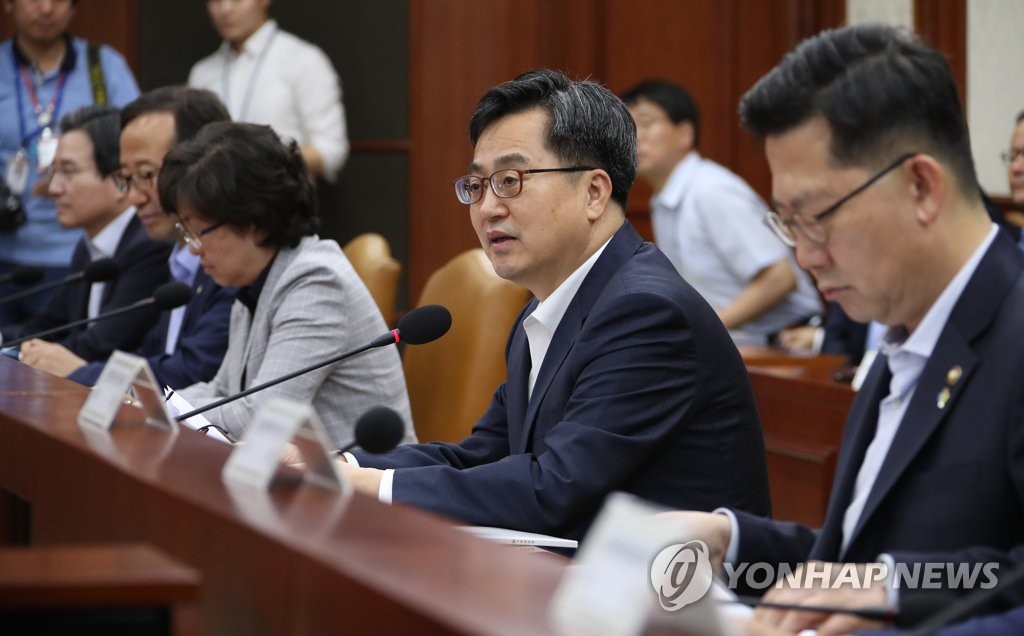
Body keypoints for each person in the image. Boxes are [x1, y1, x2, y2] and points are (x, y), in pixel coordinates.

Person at [664, 24, 1024, 635]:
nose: (805, 256)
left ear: (921, 187)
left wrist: (894, 589)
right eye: (787, 223)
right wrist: (733, 540)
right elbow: (861, 567)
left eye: (816, 218)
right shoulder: (899, 338)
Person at [336, 69, 771, 541]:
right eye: (477, 185)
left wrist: (375, 486)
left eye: (510, 180)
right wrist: (343, 465)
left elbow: (555, 488)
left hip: (676, 582)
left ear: (594, 193)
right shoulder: (548, 307)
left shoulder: (645, 312)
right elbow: (483, 456)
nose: (487, 208)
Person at [159, 122, 413, 449]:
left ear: (256, 223)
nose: (193, 249)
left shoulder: (316, 281)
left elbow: (260, 418)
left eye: (199, 232)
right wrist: (147, 403)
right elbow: (222, 390)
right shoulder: (257, 278)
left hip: (361, 474)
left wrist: (160, 414)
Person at [19, 87, 236, 389]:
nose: (133, 197)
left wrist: (82, 372)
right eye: (126, 178)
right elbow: (151, 355)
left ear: (205, 167)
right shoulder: (180, 259)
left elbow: (193, 370)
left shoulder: (231, 264)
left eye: (146, 175)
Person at [621, 80, 821, 346]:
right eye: (629, 127)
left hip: (792, 343)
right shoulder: (663, 199)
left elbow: (780, 278)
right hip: (740, 345)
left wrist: (701, 329)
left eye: (646, 123)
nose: (636, 137)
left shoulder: (711, 190)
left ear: (685, 133)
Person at [0, 0, 139, 325]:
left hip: (80, 253)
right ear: (8, 4)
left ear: (74, 8)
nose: (46, 8)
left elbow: (134, 147)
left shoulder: (102, 67)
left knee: (65, 349)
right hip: (5, 250)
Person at [3, 105, 170, 361]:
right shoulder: (89, 244)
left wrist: (31, 354)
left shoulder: (150, 245)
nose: (54, 188)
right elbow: (51, 325)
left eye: (68, 172)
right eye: (53, 172)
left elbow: (105, 344)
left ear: (119, 180)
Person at [188, 0, 348, 182]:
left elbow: (330, 150)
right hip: (214, 194)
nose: (226, 9)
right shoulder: (202, 72)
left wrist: (259, 162)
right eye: (216, 0)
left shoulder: (303, 60)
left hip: (281, 196)